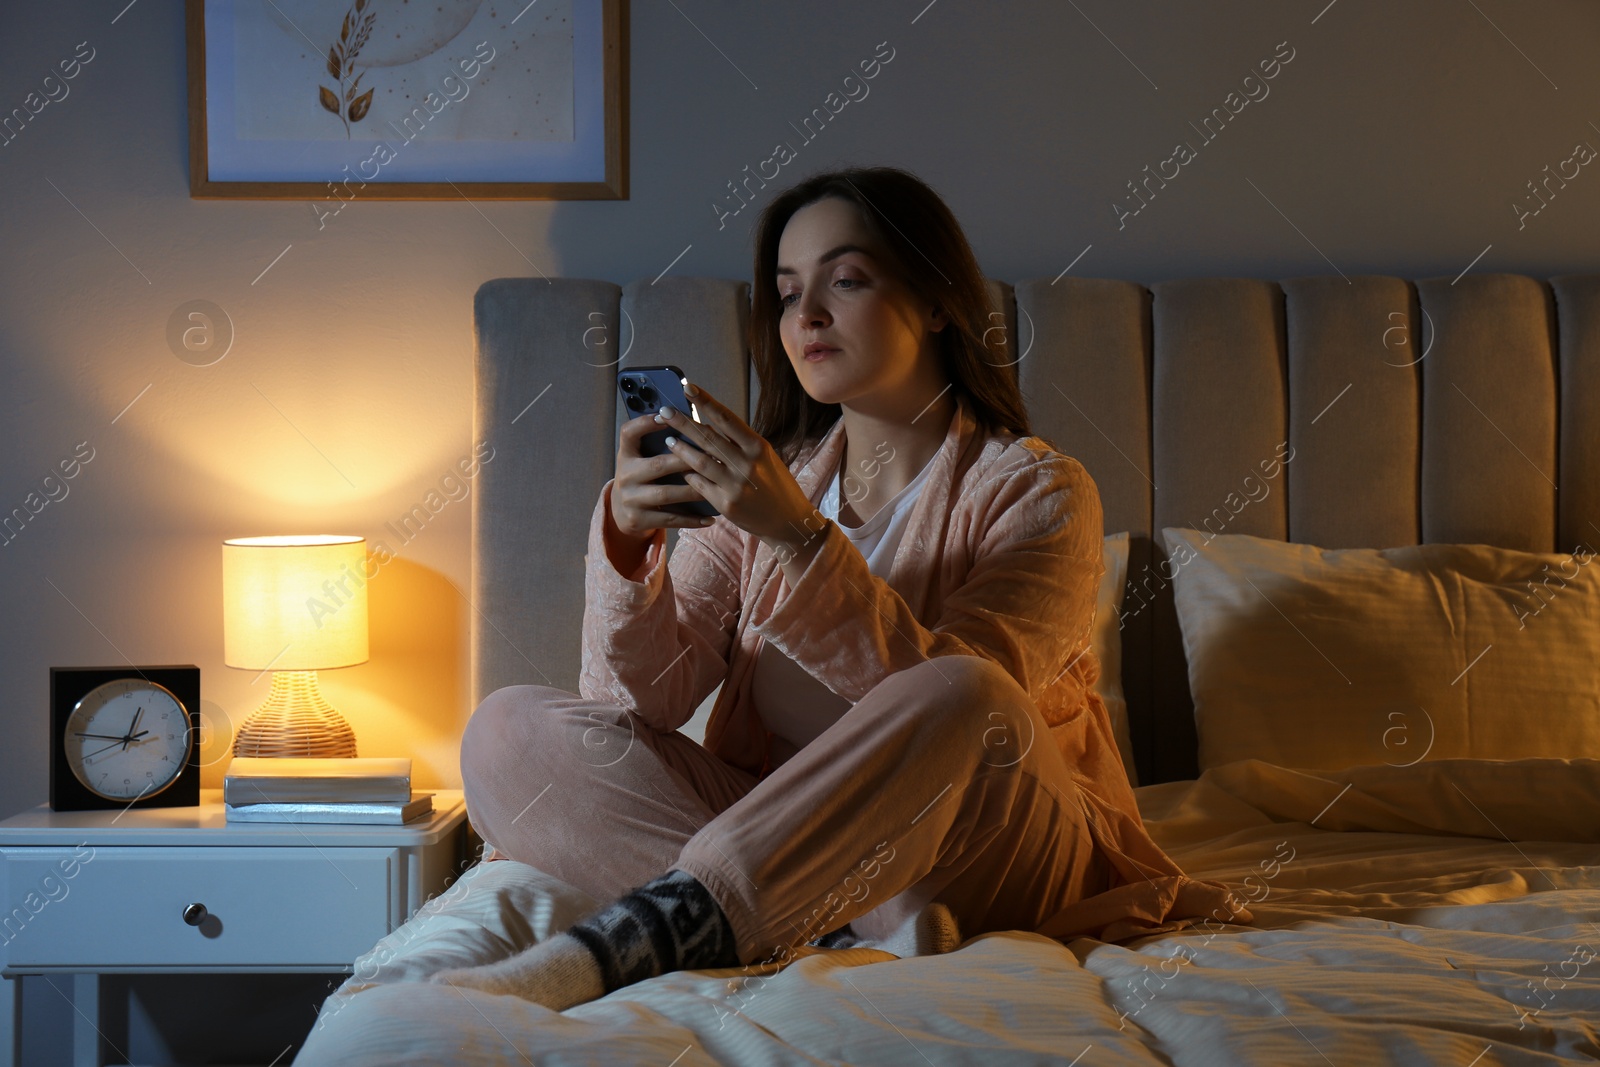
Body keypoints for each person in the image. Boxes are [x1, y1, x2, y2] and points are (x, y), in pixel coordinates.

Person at [435, 166, 1245, 1009]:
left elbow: (967, 718)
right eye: (787, 294)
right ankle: (816, 924)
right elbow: (634, 705)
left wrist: (800, 536)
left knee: (968, 689)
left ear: (935, 302)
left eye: (845, 280)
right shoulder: (769, 483)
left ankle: (635, 939)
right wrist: (631, 546)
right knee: (504, 732)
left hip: (990, 843)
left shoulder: (1039, 491)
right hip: (808, 847)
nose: (806, 315)